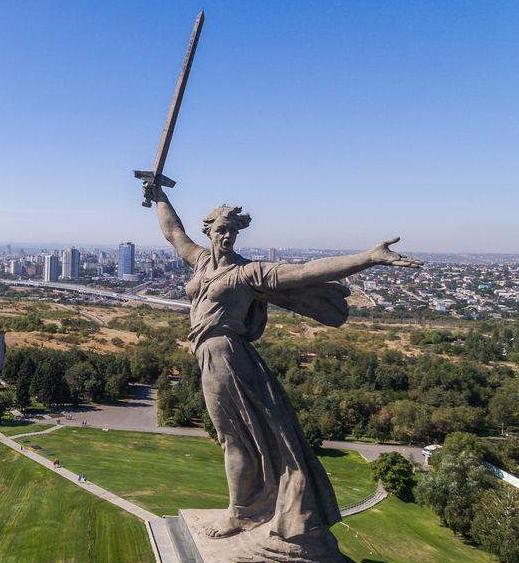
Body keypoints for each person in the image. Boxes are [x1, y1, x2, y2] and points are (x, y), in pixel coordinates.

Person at [145, 181, 421, 540]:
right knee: (237, 436)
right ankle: (247, 508)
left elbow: (308, 271)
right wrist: (159, 195)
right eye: (220, 229)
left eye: (232, 230)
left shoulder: (248, 273)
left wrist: (368, 258)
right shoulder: (199, 261)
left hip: (226, 357)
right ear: (209, 230)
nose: (226, 236)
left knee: (234, 439)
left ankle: (239, 514)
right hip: (209, 356)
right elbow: (173, 232)